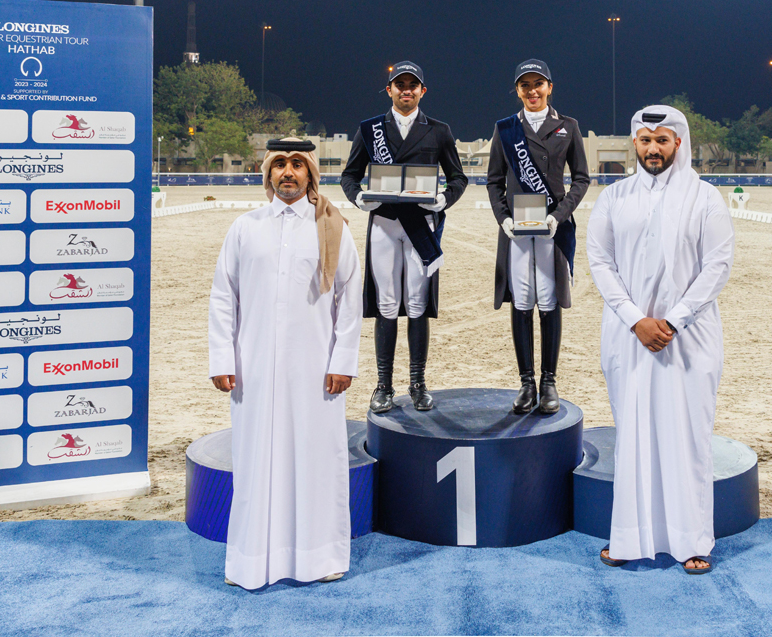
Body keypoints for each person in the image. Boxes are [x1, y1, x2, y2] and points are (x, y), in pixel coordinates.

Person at [208, 138, 363, 589]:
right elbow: (223, 297)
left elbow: (349, 300)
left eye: (298, 165)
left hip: (316, 370)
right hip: (252, 369)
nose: (288, 173)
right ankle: (253, 562)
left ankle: (321, 558)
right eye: (280, 165)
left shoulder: (332, 227)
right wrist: (223, 357)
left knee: (316, 461)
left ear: (311, 173)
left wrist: (344, 360)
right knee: (256, 462)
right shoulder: (245, 227)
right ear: (268, 174)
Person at [586, 106, 734, 574]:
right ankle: (629, 538)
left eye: (662, 140)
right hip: (628, 337)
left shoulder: (705, 198)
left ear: (679, 144)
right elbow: (600, 262)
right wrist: (636, 319)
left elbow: (717, 265)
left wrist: (673, 320)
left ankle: (693, 541)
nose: (653, 149)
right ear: (635, 143)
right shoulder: (615, 197)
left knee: (687, 436)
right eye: (645, 139)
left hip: (688, 339)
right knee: (632, 436)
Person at [341, 61, 468, 413]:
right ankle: (383, 386)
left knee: (416, 305)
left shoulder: (439, 130)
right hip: (383, 223)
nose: (406, 90)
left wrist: (444, 200)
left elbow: (458, 178)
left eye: (413, 85)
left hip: (421, 227)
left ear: (422, 91)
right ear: (390, 90)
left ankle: (418, 383)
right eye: (400, 84)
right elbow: (349, 176)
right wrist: (359, 198)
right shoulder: (370, 130)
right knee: (385, 304)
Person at [486, 59, 589, 414]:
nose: (532, 91)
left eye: (538, 84)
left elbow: (581, 179)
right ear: (517, 90)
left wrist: (559, 216)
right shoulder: (505, 129)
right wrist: (503, 218)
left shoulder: (568, 127)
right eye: (525, 85)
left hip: (551, 230)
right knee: (522, 301)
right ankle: (526, 382)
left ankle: (549, 382)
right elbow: (494, 181)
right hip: (517, 230)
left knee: (548, 300)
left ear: (549, 87)